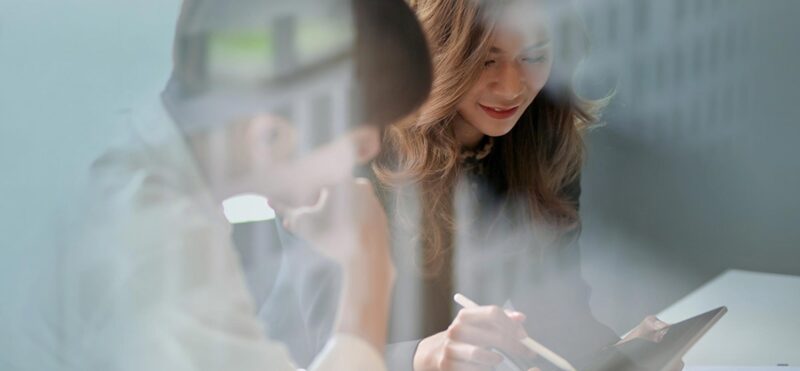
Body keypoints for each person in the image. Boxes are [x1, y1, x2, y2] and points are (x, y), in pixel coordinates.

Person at [18, 0, 432, 370]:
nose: (370, 153)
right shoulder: (159, 246)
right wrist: (369, 273)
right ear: (268, 137)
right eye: (360, 141)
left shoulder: (138, 172)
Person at [372, 0, 677, 370]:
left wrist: (623, 356)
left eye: (534, 57)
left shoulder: (542, 142)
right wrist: (425, 355)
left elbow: (556, 316)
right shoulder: (361, 151)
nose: (511, 87)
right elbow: (314, 349)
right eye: (486, 59)